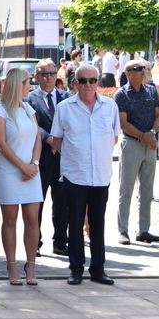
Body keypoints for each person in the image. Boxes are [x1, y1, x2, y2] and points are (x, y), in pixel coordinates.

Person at [51, 65, 119, 286]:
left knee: (98, 224)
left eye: (92, 80)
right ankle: (76, 268)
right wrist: (76, 158)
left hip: (100, 174)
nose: (88, 85)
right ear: (75, 83)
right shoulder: (64, 108)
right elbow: (57, 140)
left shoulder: (110, 106)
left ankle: (98, 269)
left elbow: (114, 138)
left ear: (98, 82)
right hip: (75, 174)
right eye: (83, 80)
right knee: (75, 222)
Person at [0, 68, 43, 286]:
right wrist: (22, 166)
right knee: (10, 220)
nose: (29, 85)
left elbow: (38, 138)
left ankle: (30, 265)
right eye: (26, 82)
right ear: (16, 84)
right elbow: (1, 144)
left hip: (31, 172)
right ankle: (11, 265)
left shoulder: (28, 107)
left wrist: (34, 165)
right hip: (10, 172)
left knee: (32, 220)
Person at [115, 60, 159, 246]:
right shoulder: (121, 95)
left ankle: (144, 230)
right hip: (132, 145)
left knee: (147, 190)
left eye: (143, 68)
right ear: (128, 73)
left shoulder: (151, 90)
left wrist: (151, 134)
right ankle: (123, 231)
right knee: (126, 189)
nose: (143, 71)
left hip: (150, 144)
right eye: (138, 69)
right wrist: (146, 137)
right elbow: (123, 123)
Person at [24, 59, 70, 258]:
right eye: (44, 74)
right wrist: (48, 139)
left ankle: (60, 242)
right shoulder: (29, 99)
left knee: (62, 203)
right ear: (37, 77)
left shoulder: (67, 97)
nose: (49, 78)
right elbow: (30, 124)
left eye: (52, 74)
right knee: (37, 203)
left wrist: (58, 141)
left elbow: (72, 123)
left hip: (63, 158)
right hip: (39, 157)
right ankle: (36, 242)